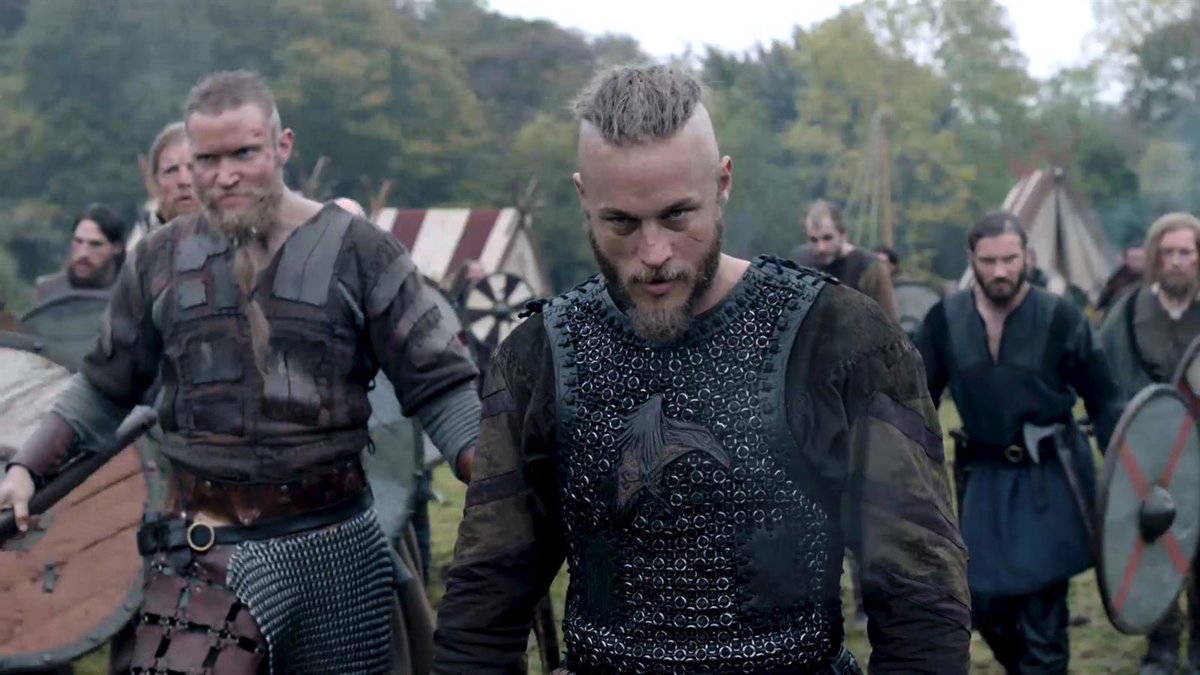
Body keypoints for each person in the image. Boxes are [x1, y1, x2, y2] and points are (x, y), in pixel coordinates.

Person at [433, 63, 970, 674]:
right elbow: (484, 599)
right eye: (621, 222)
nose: (654, 253)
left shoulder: (838, 339)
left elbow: (920, 593)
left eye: (677, 215)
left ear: (722, 183)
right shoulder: (542, 355)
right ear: (584, 197)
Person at [0, 70, 480, 674]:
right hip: (200, 551)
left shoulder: (362, 252)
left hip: (335, 549)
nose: (224, 175)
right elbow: (102, 386)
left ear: (282, 146)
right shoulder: (157, 260)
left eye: (244, 154)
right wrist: (26, 467)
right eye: (207, 159)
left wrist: (494, 471)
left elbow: (440, 383)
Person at [915, 211, 1125, 673]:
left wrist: (1132, 478)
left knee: (1041, 613)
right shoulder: (945, 320)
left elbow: (1106, 401)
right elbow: (916, 401)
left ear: (1027, 257)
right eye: (989, 261)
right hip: (984, 481)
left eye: (1010, 259)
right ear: (972, 259)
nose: (1001, 271)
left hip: (1049, 479)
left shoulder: (1061, 317)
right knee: (984, 602)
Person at [1099, 213, 1200, 675]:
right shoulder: (1127, 312)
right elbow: (1105, 382)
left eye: (1186, 252)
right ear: (1156, 257)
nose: (1177, 261)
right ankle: (1162, 646)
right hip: (1148, 459)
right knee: (1154, 550)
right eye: (1168, 252)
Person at [791, 200, 898, 320]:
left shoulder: (870, 268)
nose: (821, 248)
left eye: (828, 238)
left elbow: (889, 321)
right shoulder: (800, 263)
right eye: (813, 240)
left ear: (843, 235)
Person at [33, 204, 127, 302]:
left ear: (116, 248)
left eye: (95, 244)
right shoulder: (49, 290)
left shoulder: (131, 294)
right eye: (78, 241)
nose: (83, 253)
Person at [128, 121, 199, 249]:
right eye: (171, 170)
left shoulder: (234, 236)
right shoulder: (140, 248)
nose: (184, 181)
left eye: (192, 168)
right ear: (154, 182)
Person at [1096, 243, 1147, 318]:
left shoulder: (1151, 278)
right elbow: (1104, 299)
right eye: (1134, 259)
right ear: (1126, 260)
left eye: (1140, 259)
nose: (1138, 263)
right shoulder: (1116, 279)